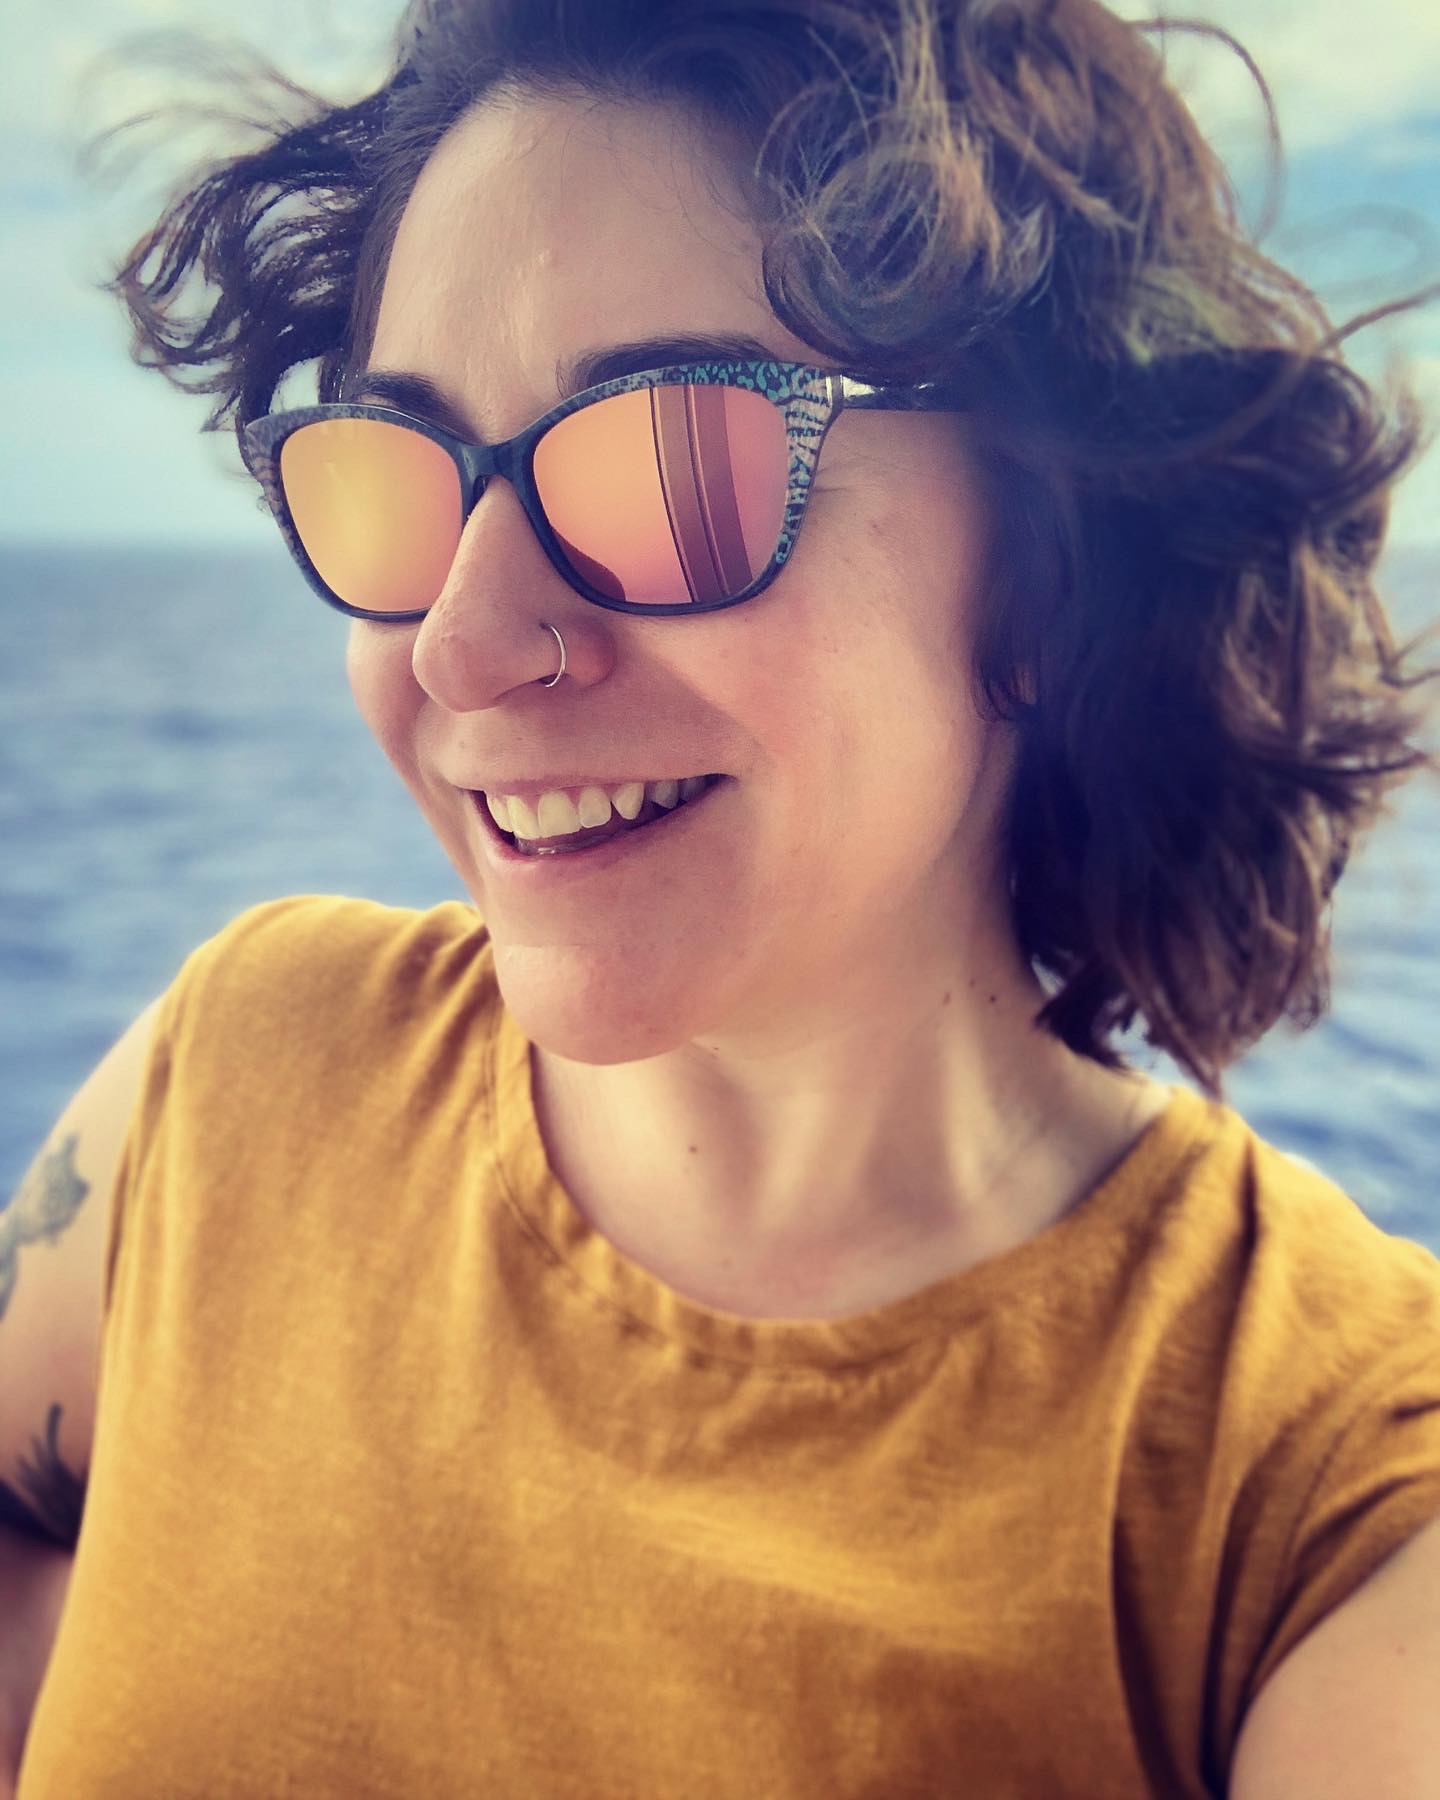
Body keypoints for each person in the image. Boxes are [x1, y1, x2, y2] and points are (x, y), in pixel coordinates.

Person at [3, 0, 1439, 1793]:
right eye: (399, 475)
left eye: (670, 462)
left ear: (1060, 561)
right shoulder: (233, 1075)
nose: (462, 642)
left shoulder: (1320, 1495)